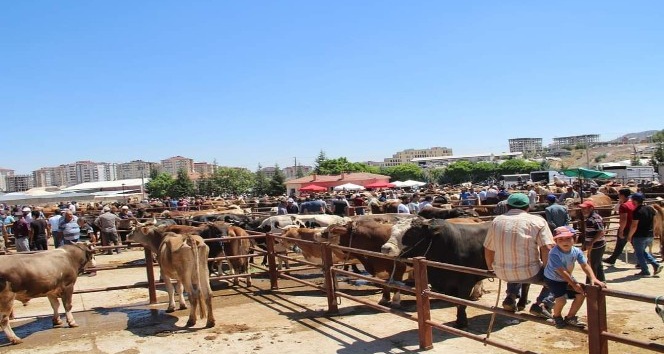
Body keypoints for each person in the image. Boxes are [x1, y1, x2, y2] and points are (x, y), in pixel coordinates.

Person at [484, 193, 555, 318]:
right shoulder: (537, 221)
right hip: (530, 273)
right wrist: (548, 269)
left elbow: (488, 248)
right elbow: (547, 248)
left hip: (502, 272)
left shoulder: (496, 221)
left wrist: (491, 268)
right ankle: (543, 303)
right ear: (528, 207)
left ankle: (510, 297)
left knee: (514, 265)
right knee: (559, 277)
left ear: (507, 206)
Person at [544, 226, 606, 329]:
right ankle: (557, 316)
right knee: (561, 299)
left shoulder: (576, 251)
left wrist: (593, 278)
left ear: (574, 239)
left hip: (566, 277)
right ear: (556, 241)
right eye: (560, 239)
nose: (565, 241)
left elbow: (585, 265)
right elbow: (561, 270)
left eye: (568, 238)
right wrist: (574, 284)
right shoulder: (554, 253)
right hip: (554, 278)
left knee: (581, 295)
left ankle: (570, 317)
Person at [627, 193, 662, 276]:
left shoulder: (637, 211)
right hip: (649, 234)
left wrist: (629, 235)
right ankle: (655, 265)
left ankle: (646, 270)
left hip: (640, 235)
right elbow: (654, 221)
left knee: (639, 254)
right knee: (642, 252)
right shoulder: (650, 209)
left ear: (635, 201)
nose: (631, 201)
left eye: (632, 200)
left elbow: (634, 225)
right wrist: (653, 231)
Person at [603, 188, 636, 266]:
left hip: (626, 228)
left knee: (620, 244)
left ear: (622, 195)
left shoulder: (624, 206)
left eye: (619, 194)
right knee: (634, 245)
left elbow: (623, 219)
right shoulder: (633, 203)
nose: (618, 196)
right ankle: (612, 259)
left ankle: (612, 259)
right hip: (633, 227)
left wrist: (621, 230)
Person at [579, 200, 606, 283]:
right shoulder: (591, 218)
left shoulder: (594, 218)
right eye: (582, 208)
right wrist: (586, 243)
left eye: (585, 208)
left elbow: (601, 231)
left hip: (597, 245)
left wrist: (591, 242)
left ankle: (591, 283)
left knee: (592, 264)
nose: (583, 210)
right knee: (597, 264)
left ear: (591, 208)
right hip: (597, 244)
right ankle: (601, 281)